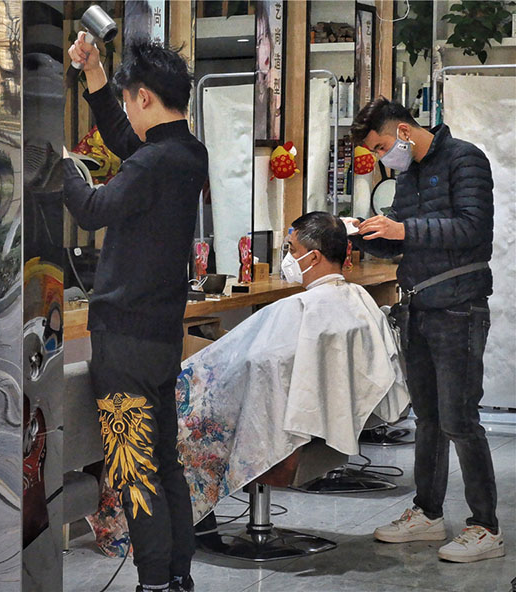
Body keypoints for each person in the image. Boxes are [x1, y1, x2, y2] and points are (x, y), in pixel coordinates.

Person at [64, 34, 208, 592]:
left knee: (133, 466)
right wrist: (97, 77)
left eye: (127, 100)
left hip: (122, 340)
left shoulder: (153, 165)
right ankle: (176, 575)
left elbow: (95, 207)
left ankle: (152, 583)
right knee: (162, 461)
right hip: (159, 339)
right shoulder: (184, 153)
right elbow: (130, 144)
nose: (125, 110)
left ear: (144, 97)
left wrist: (57, 172)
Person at [178, 212, 409, 530]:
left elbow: (261, 364)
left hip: (284, 428)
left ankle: (177, 519)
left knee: (172, 410)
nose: (288, 258)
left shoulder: (305, 308)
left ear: (314, 257)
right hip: (320, 426)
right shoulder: (356, 300)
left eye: (292, 250)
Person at [348, 97, 502, 563]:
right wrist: (364, 236)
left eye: (380, 147)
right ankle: (427, 512)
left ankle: (485, 526)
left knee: (459, 419)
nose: (380, 158)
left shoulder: (465, 158)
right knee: (428, 421)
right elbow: (404, 241)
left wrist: (403, 231)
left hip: (460, 308)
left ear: (404, 132)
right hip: (416, 307)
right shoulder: (407, 175)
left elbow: (473, 229)